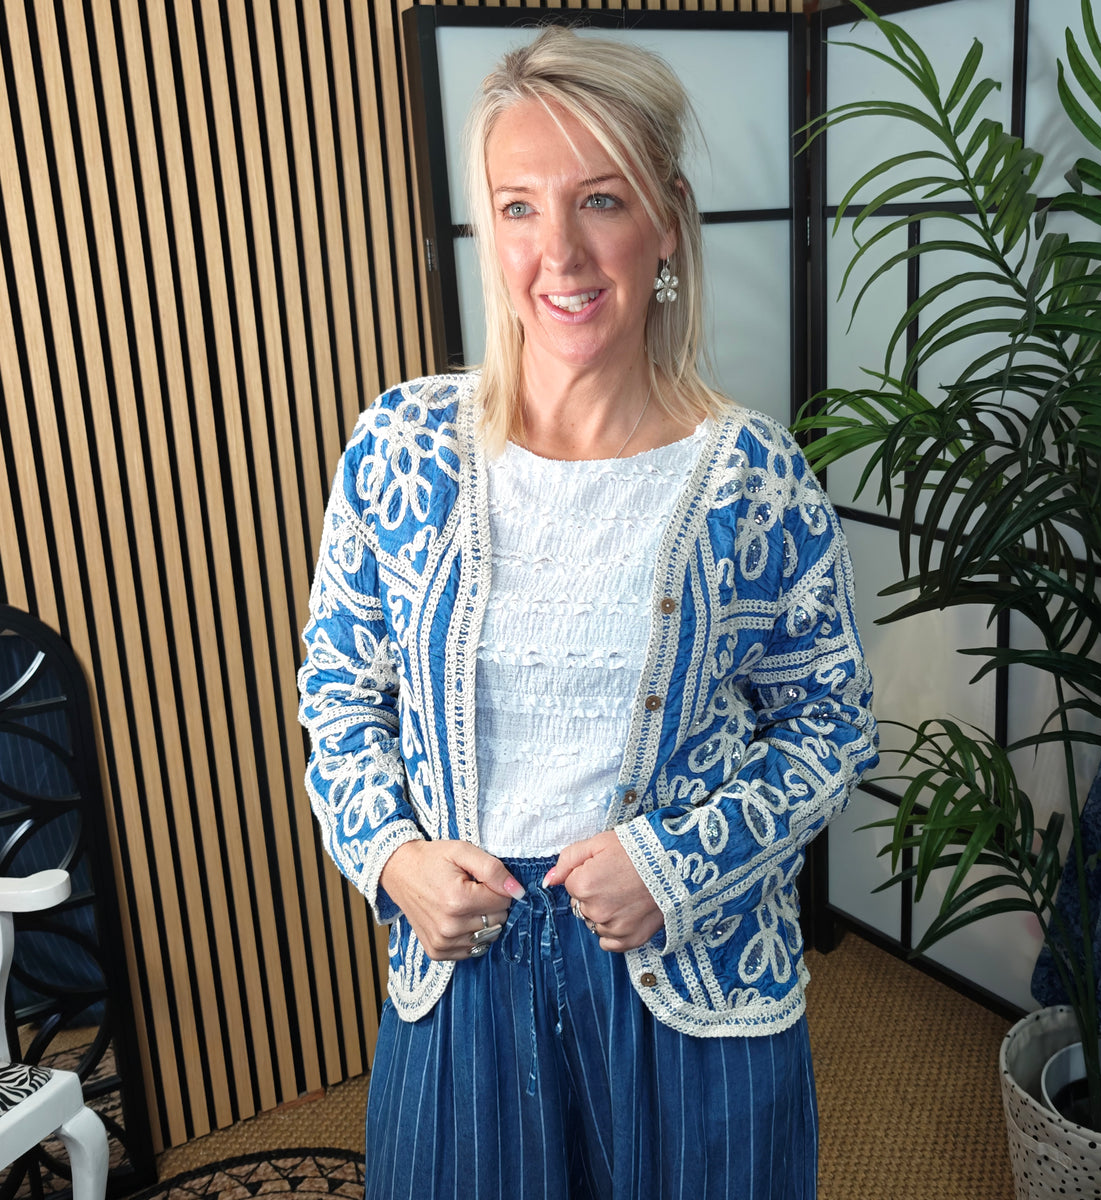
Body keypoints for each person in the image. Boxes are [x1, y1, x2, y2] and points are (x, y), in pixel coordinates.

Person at [298, 26, 878, 1200]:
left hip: (688, 974)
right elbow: (338, 691)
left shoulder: (752, 481)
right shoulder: (402, 446)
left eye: (599, 199)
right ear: (487, 226)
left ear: (665, 218)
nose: (556, 252)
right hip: (462, 972)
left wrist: (674, 865)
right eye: (518, 207)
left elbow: (834, 724)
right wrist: (390, 855)